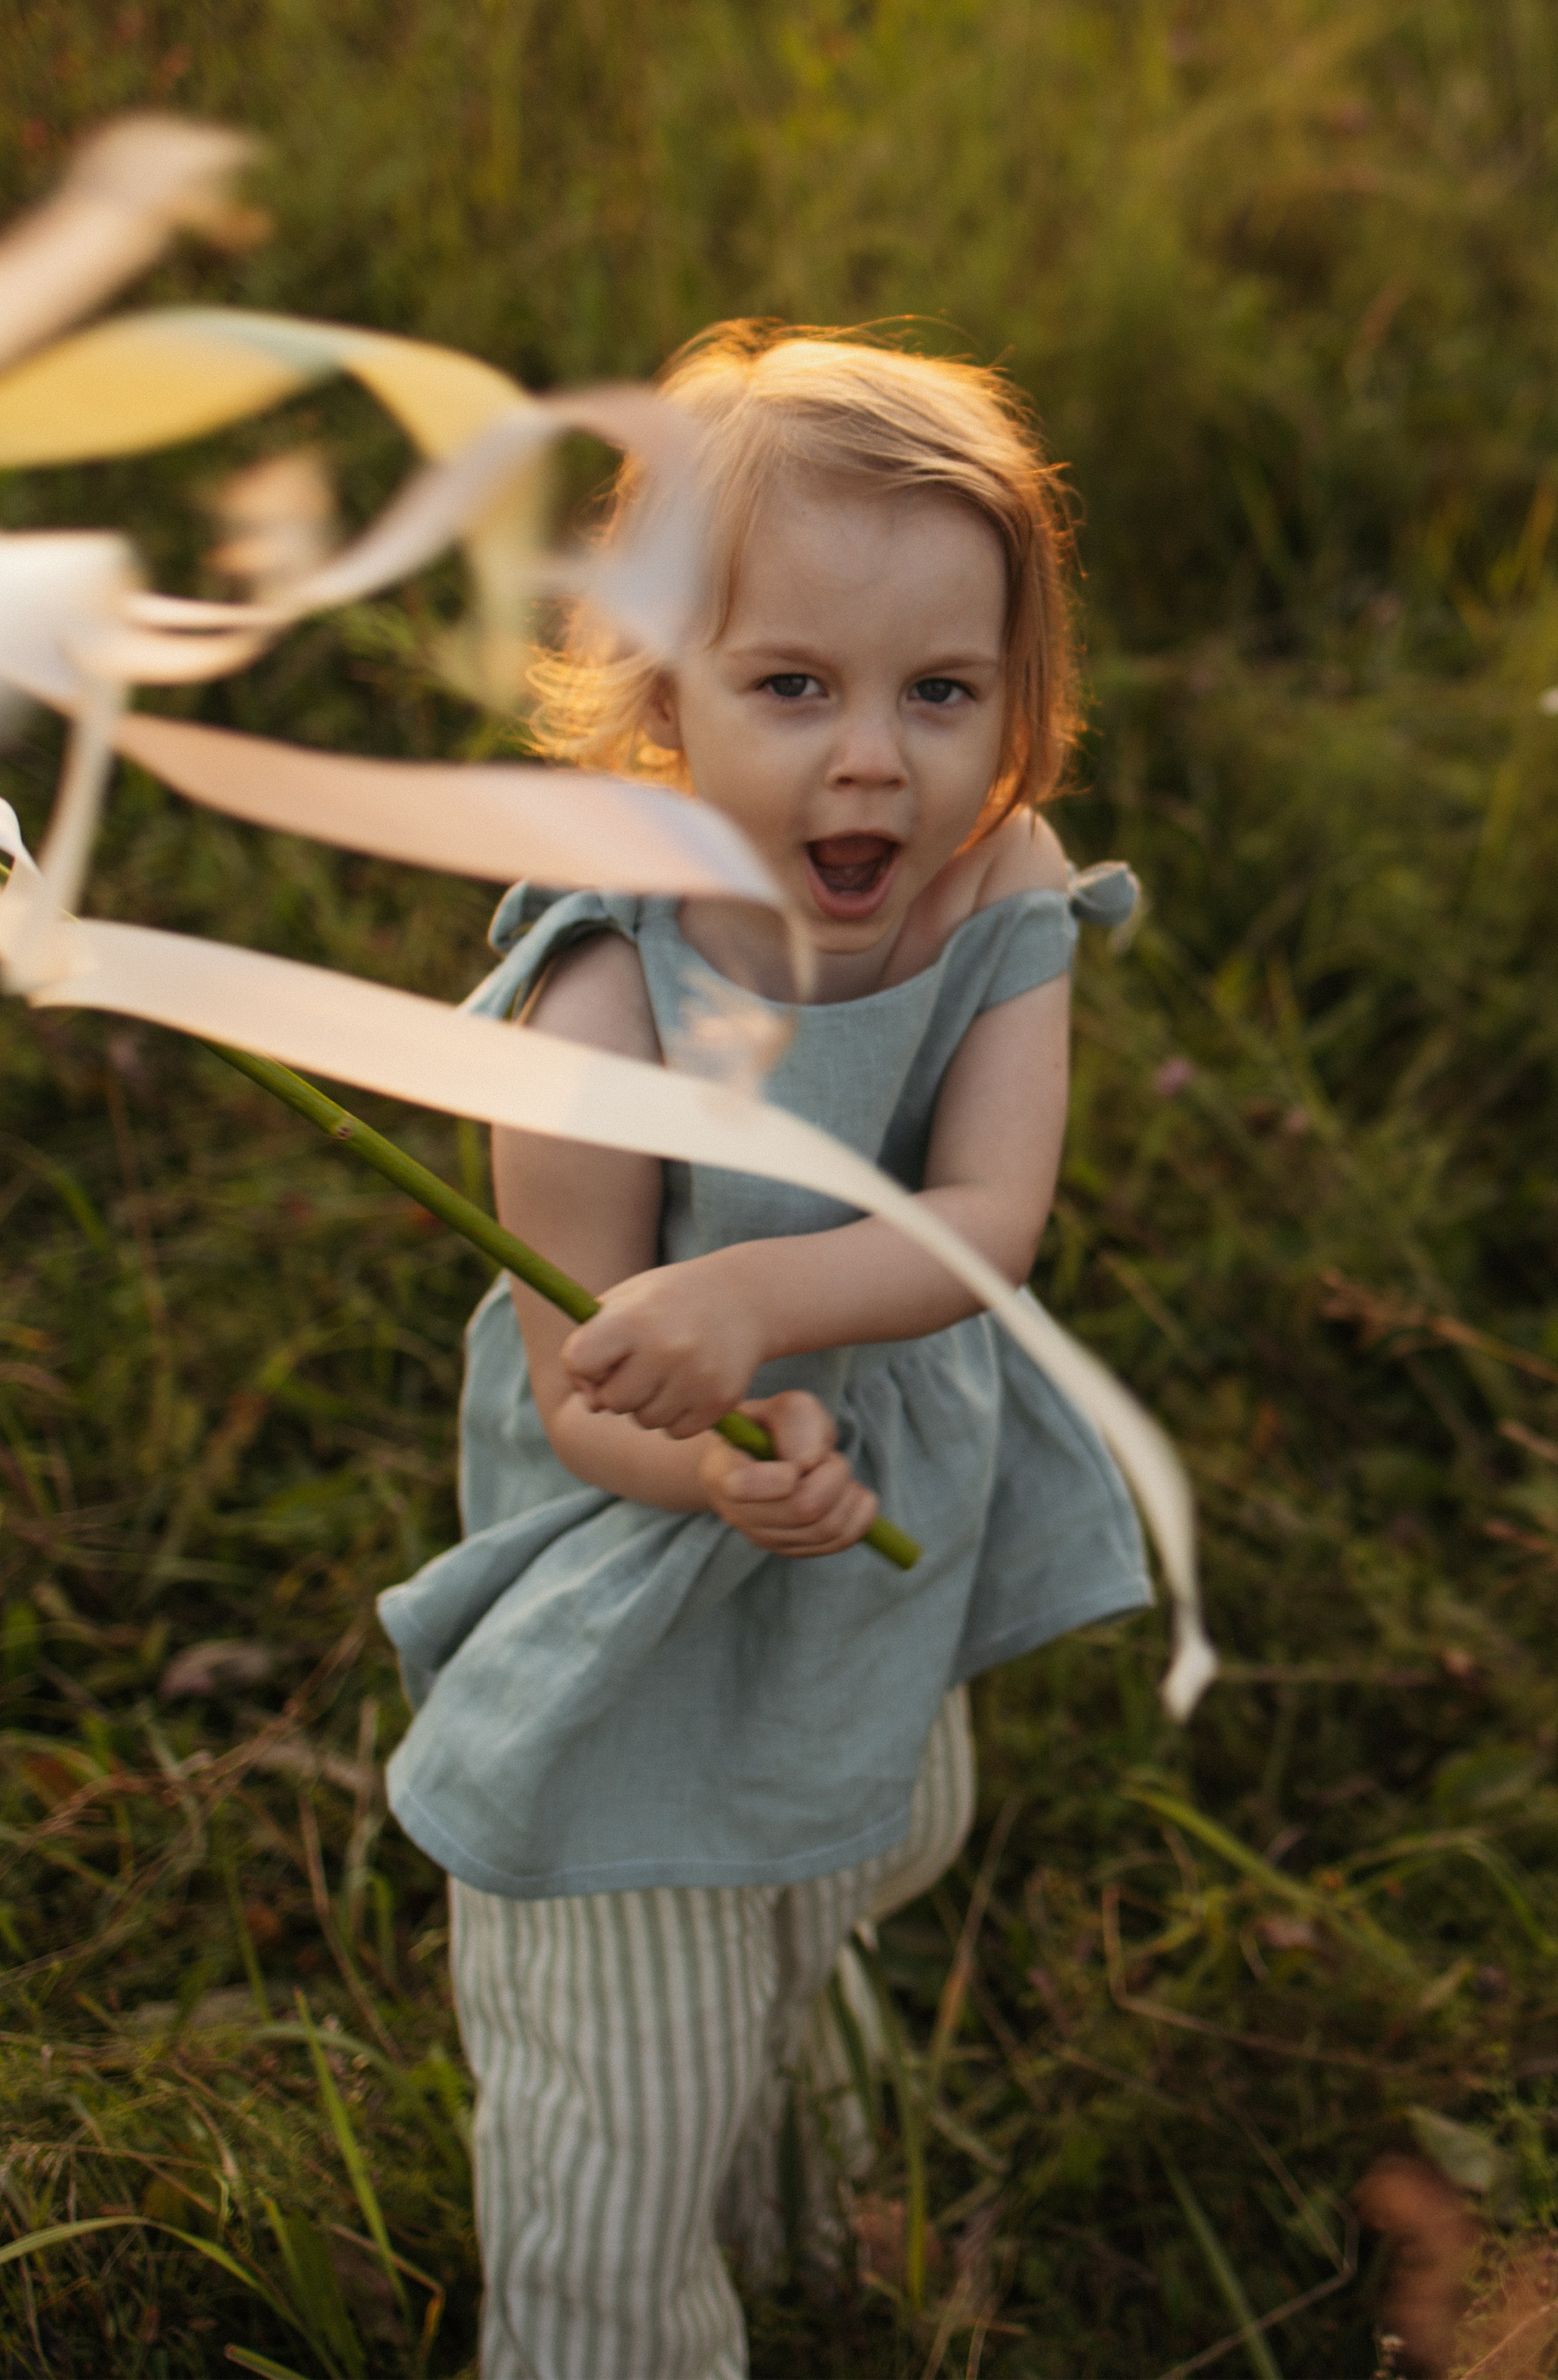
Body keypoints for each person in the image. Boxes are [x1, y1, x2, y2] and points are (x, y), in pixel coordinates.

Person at [377, 324, 1152, 2380]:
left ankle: (807, 2201)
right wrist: (716, 1446)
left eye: (942, 691)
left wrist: (767, 1302)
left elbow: (987, 1226)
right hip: (647, 1566)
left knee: (845, 1858)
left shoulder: (999, 891)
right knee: (620, 2097)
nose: (875, 758)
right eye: (793, 685)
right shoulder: (602, 1002)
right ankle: (627, 2311)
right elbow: (574, 1393)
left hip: (876, 1519)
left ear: (1019, 696)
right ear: (659, 695)